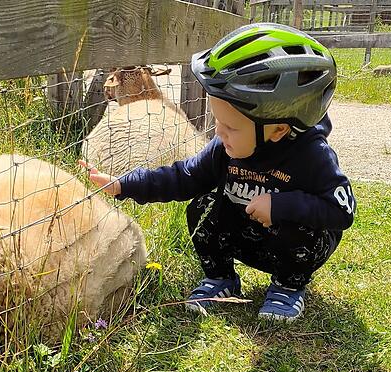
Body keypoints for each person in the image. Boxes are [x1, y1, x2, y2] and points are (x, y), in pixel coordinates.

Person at [80, 23, 355, 322]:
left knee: (300, 228)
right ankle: (221, 277)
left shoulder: (312, 156)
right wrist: (125, 185)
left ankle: (288, 287)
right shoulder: (225, 147)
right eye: (217, 121)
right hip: (251, 234)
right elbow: (184, 177)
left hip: (295, 246)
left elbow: (341, 211)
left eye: (230, 127)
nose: (218, 133)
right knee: (202, 207)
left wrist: (281, 206)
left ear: (278, 130)